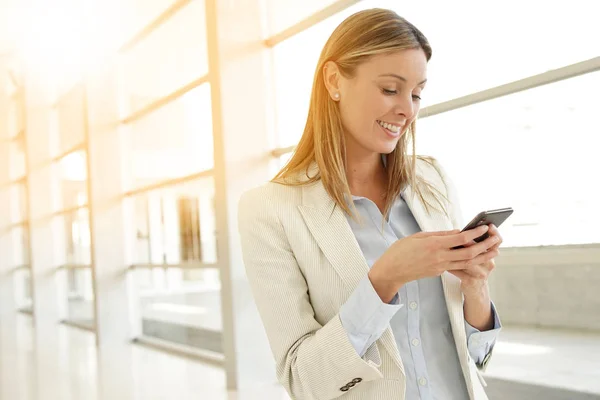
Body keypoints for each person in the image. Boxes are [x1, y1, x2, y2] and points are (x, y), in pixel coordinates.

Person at [238, 8, 502, 400]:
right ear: (334, 81)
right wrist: (383, 282)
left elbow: (479, 360)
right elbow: (302, 381)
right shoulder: (270, 210)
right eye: (390, 89)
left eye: (416, 94)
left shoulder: (433, 181)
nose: (407, 110)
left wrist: (476, 287)